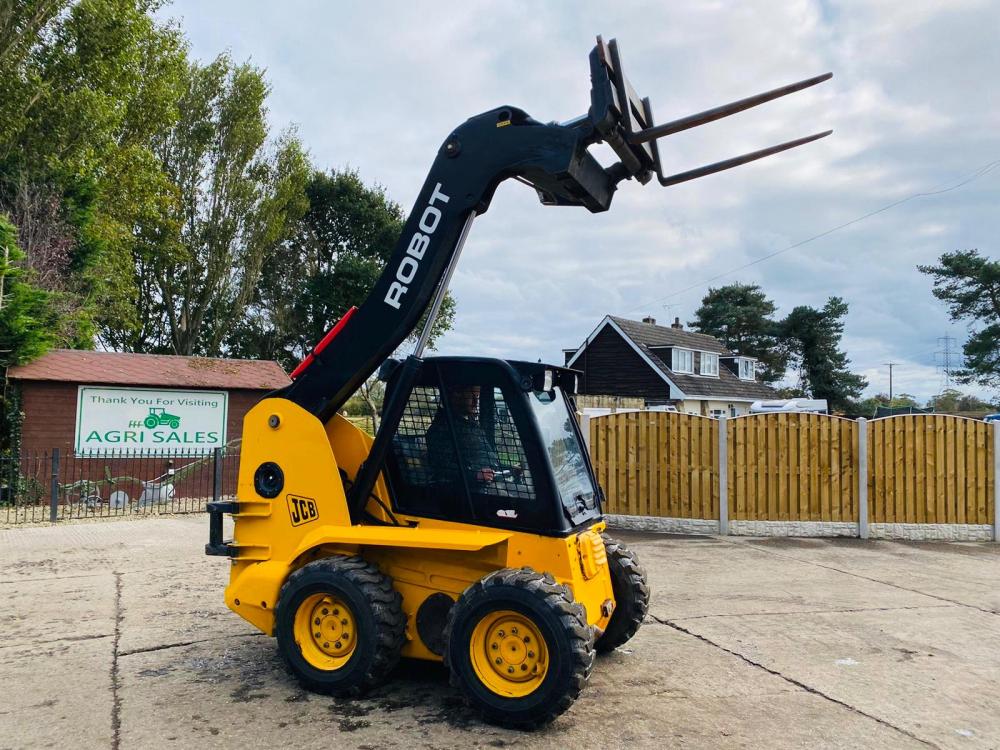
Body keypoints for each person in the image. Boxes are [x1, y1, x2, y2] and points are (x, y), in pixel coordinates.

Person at [426, 385, 501, 484]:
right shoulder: (442, 428)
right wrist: (474, 476)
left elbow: (484, 456)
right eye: (472, 397)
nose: (476, 403)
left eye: (477, 397)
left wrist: (507, 469)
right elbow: (441, 466)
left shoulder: (470, 425)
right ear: (456, 395)